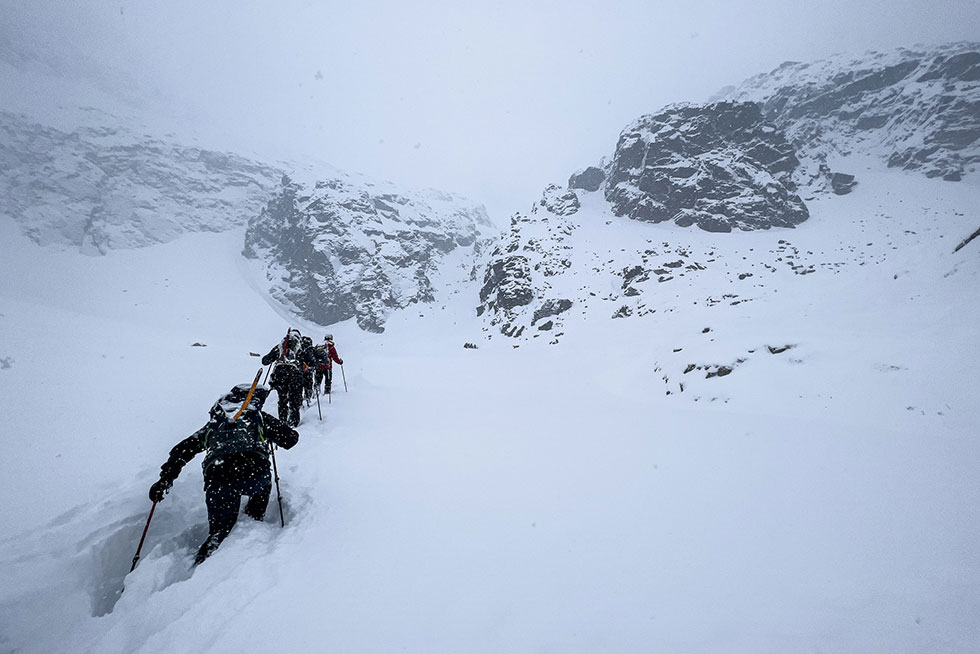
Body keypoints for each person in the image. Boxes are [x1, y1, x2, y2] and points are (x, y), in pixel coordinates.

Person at [148, 384, 298, 565]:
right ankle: (253, 522)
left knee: (220, 530)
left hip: (218, 479)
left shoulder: (215, 422)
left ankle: (205, 559)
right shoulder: (258, 417)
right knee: (262, 486)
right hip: (255, 475)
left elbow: (184, 449)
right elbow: (290, 439)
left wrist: (165, 480)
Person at [261, 330, 304, 426]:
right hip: (294, 375)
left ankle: (282, 421)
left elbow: (265, 360)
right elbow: (310, 361)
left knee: (282, 399)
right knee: (294, 399)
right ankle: (293, 422)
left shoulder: (280, 346)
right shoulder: (299, 348)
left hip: (279, 374)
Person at [297, 335, 317, 403]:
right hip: (308, 371)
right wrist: (312, 367)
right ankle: (308, 397)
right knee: (308, 384)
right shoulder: (310, 350)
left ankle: (299, 400)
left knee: (299, 386)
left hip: (299, 371)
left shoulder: (298, 350)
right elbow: (313, 361)